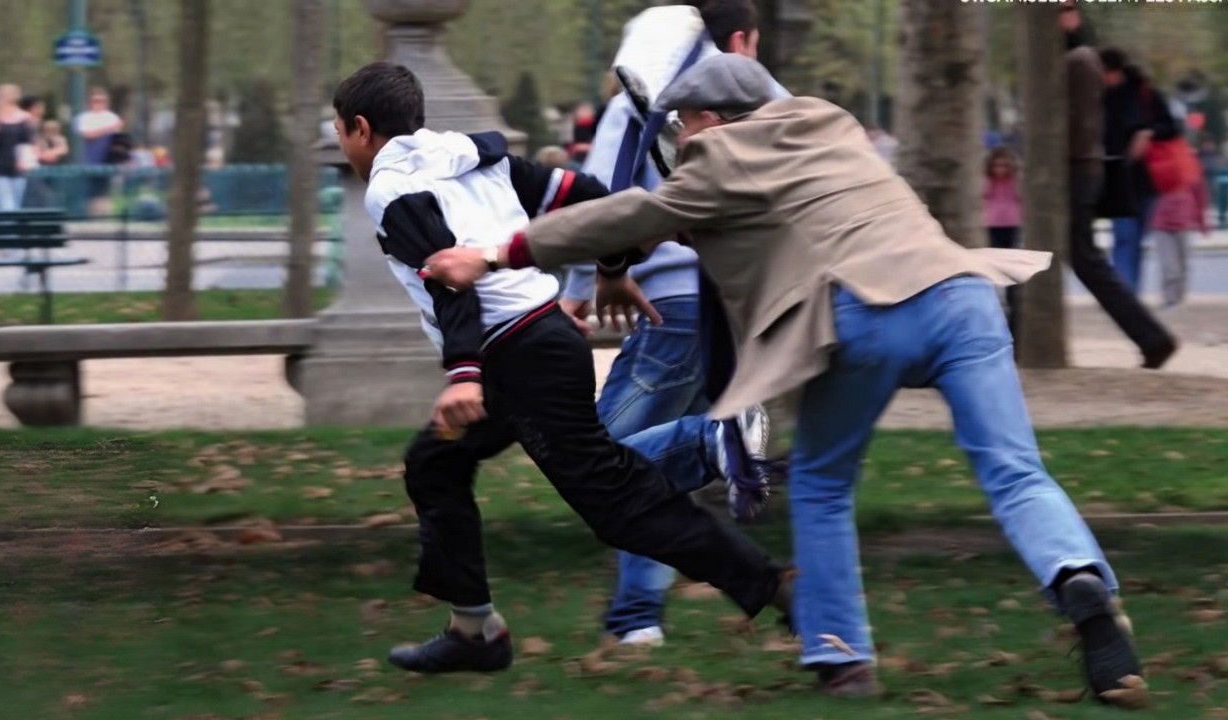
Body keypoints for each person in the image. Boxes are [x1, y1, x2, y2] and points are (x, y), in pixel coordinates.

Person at [422, 53, 1145, 704]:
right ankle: (1077, 579)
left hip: (861, 313)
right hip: (963, 293)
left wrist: (493, 255)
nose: (678, 137)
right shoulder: (830, 123)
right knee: (1015, 470)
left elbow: (635, 212)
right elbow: (731, 215)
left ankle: (840, 653)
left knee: (824, 484)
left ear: (710, 118)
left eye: (683, 124)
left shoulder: (717, 158)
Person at [331, 61, 791, 675]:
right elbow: (585, 196)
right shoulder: (468, 156)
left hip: (518, 356)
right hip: (535, 340)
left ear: (361, 129)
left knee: (620, 503)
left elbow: (451, 281)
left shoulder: (391, 189)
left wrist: (463, 374)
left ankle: (780, 588)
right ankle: (474, 632)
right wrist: (613, 267)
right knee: (435, 463)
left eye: (339, 132)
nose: (342, 145)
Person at [561, 0, 785, 648]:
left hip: (675, 305)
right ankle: (649, 615)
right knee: (649, 474)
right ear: (741, 38)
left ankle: (723, 444)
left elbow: (597, 191)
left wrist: (581, 285)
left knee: (603, 466)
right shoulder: (772, 101)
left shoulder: (644, 99)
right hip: (745, 306)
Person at [1061, 2, 1177, 369]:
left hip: (1075, 169)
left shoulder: (1079, 60)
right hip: (1078, 168)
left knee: (1084, 259)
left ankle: (1153, 337)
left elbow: (1080, 124)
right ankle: (1152, 338)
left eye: (1064, 8)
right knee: (1073, 258)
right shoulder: (1073, 58)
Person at [1099, 48, 1179, 294]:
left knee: (1136, 239)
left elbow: (1172, 127)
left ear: (1115, 71)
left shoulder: (1144, 93)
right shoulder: (1096, 97)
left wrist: (1149, 132)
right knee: (1124, 237)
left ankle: (1130, 292)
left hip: (1147, 178)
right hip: (1115, 174)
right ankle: (1126, 293)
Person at [1149, 154, 1209, 307]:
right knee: (1169, 266)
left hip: (1184, 224)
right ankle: (1170, 299)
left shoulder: (1192, 173)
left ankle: (1180, 296)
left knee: (1183, 265)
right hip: (1162, 225)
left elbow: (1200, 197)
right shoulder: (1159, 170)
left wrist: (1202, 223)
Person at [984, 146, 1023, 335]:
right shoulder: (987, 182)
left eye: (1005, 165)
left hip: (1012, 226)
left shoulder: (1015, 182)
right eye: (997, 165)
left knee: (1010, 278)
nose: (1000, 169)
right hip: (992, 226)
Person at [0, 84, 34, 210]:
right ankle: (7, 230)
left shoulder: (24, 118)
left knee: (16, 206)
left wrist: (24, 160)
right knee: (5, 207)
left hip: (18, 168)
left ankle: (12, 230)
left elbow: (28, 142)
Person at [75, 88, 124, 216]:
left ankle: (104, 216)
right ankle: (90, 216)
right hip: (89, 161)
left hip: (107, 160)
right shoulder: (85, 118)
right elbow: (87, 134)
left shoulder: (111, 117)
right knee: (90, 191)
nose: (98, 103)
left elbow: (118, 140)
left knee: (105, 191)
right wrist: (108, 128)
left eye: (101, 100)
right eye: (95, 100)